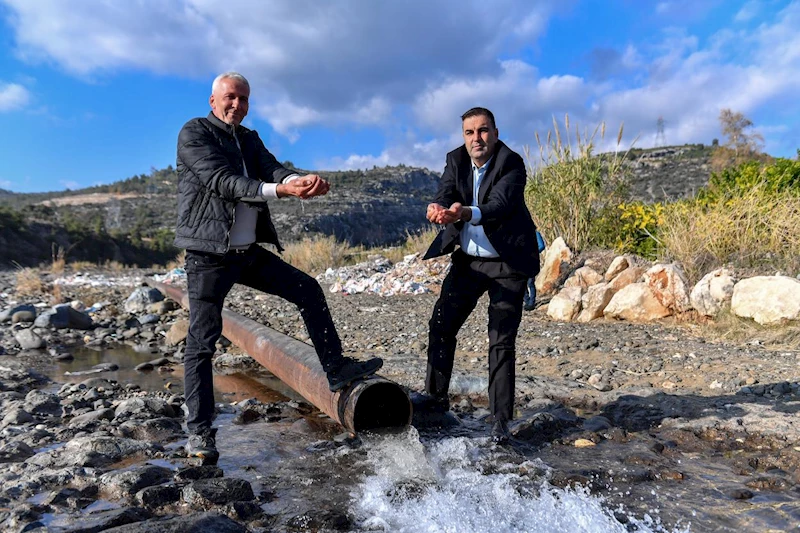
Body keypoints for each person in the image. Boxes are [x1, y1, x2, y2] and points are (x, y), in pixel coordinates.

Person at [174, 72, 382, 464]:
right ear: (213, 100)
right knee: (202, 341)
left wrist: (297, 180)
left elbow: (271, 168)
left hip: (247, 252)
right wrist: (281, 190)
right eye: (231, 97)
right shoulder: (194, 133)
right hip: (208, 255)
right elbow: (222, 181)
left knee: (307, 289)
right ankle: (199, 433)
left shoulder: (249, 139)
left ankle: (336, 370)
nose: (238, 105)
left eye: (245, 99)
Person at [416, 107, 540, 444]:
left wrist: (465, 211)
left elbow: (499, 204)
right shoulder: (455, 160)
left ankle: (500, 422)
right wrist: (437, 208)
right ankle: (435, 401)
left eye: (483, 131)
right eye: (470, 133)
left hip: (508, 263)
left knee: (500, 341)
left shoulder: (511, 163)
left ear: (496, 133)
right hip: (469, 262)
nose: (477, 139)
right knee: (441, 326)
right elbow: (444, 192)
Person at [523, 230, 547, 311]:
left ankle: (531, 302)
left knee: (530, 282)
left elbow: (541, 246)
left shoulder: (535, 233)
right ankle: (526, 300)